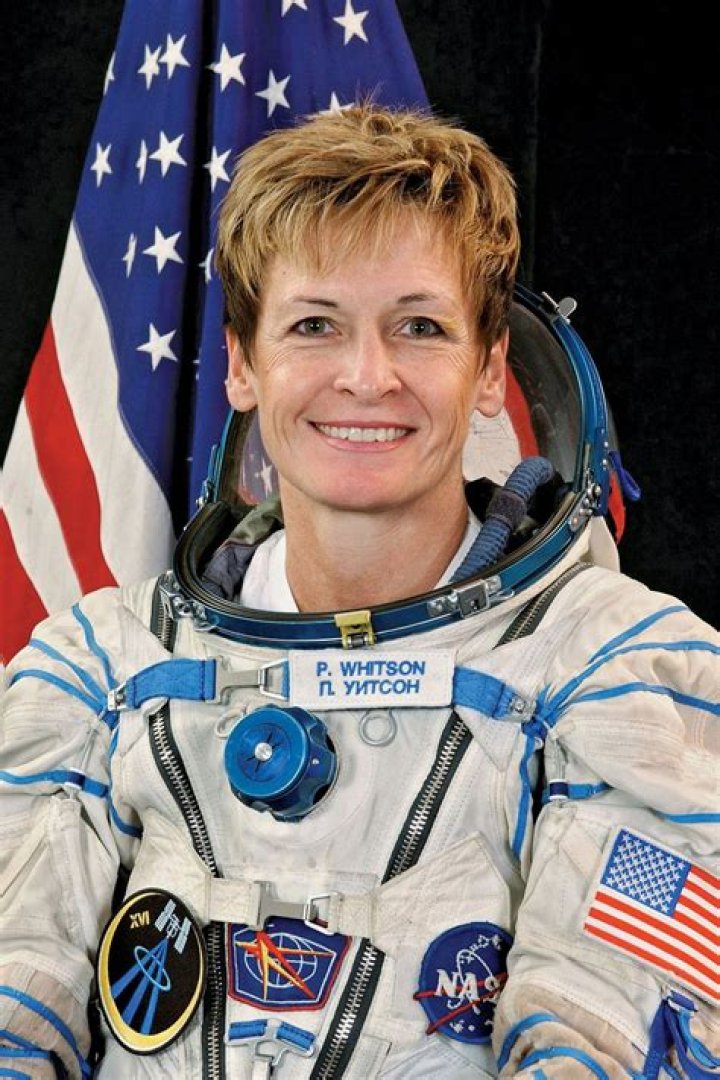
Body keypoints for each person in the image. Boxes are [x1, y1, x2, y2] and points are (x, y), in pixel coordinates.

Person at [0, 103, 717, 1080]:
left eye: (419, 327)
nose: (367, 377)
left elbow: (603, 1045)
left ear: (489, 369)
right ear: (243, 365)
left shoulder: (618, 676)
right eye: (314, 326)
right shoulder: (102, 675)